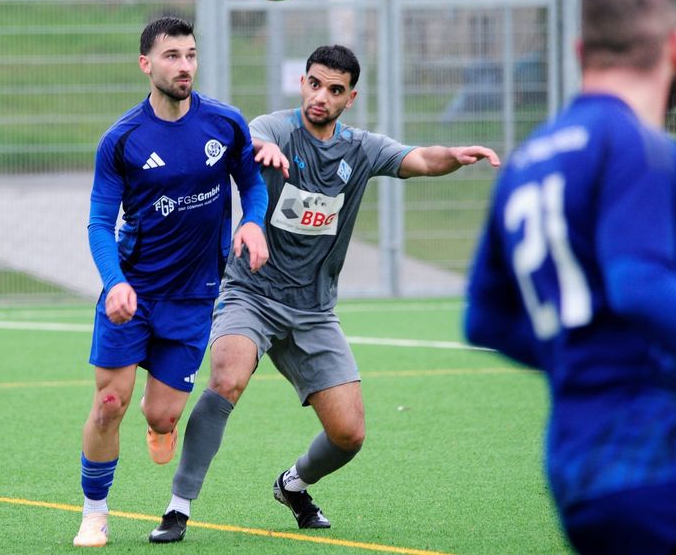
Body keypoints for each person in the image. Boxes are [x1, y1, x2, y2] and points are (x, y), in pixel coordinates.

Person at [148, 44, 500, 543]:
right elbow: (248, 137)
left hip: (314, 310)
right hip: (251, 293)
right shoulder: (276, 128)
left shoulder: (361, 148)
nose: (321, 96)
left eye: (335, 90)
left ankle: (293, 484)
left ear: (349, 98)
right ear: (303, 83)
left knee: (349, 435)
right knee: (226, 378)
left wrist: (456, 157)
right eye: (315, 84)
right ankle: (178, 507)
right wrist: (260, 150)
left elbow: (419, 158)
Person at [464, 0, 676, 553]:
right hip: (665, 456)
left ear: (579, 51)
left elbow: (485, 321)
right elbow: (639, 285)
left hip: (579, 473)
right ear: (675, 49)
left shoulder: (528, 161)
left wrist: (584, 356)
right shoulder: (638, 143)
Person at [72, 16, 270, 548]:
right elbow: (98, 223)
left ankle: (157, 421)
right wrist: (114, 282)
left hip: (194, 297)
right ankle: (94, 512)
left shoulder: (225, 123)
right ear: (146, 64)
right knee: (108, 404)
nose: (185, 66)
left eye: (190, 55)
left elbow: (252, 186)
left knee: (163, 416)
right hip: (132, 294)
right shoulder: (122, 139)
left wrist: (253, 221)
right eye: (172, 56)